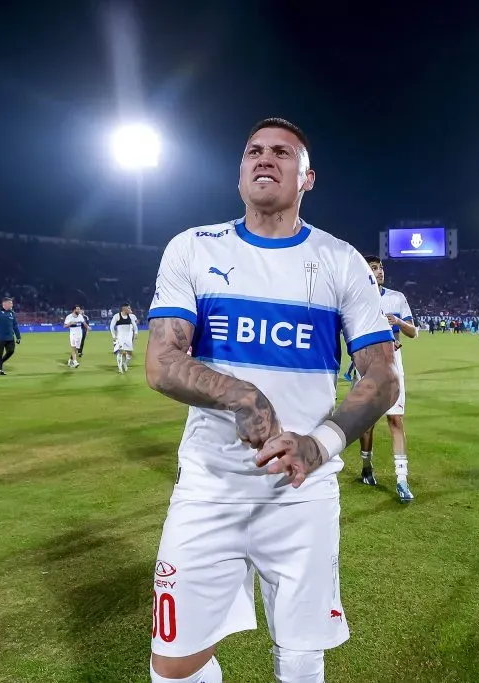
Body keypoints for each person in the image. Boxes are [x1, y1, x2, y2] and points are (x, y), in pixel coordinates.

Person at [144, 117, 398, 683]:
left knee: (301, 659)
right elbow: (161, 361)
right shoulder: (193, 247)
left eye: (283, 152)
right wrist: (241, 395)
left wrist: (319, 444)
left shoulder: (340, 260)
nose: (265, 158)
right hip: (210, 486)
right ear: (240, 172)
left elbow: (382, 376)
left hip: (301, 493)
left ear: (308, 177)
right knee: (174, 666)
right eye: (254, 151)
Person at [355, 255, 418, 502]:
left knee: (396, 419)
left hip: (393, 366)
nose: (379, 271)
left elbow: (413, 332)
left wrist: (398, 322)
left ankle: (402, 480)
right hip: (367, 366)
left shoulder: (397, 298)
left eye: (380, 267)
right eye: (374, 268)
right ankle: (366, 468)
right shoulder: (357, 299)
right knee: (367, 422)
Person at [109, 303, 139, 374]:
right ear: (124, 308)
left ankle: (125, 363)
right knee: (120, 352)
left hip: (128, 337)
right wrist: (114, 336)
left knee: (129, 353)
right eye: (128, 308)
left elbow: (135, 325)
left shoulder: (130, 316)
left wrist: (136, 333)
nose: (130, 309)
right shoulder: (117, 316)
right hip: (120, 337)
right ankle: (120, 368)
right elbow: (111, 326)